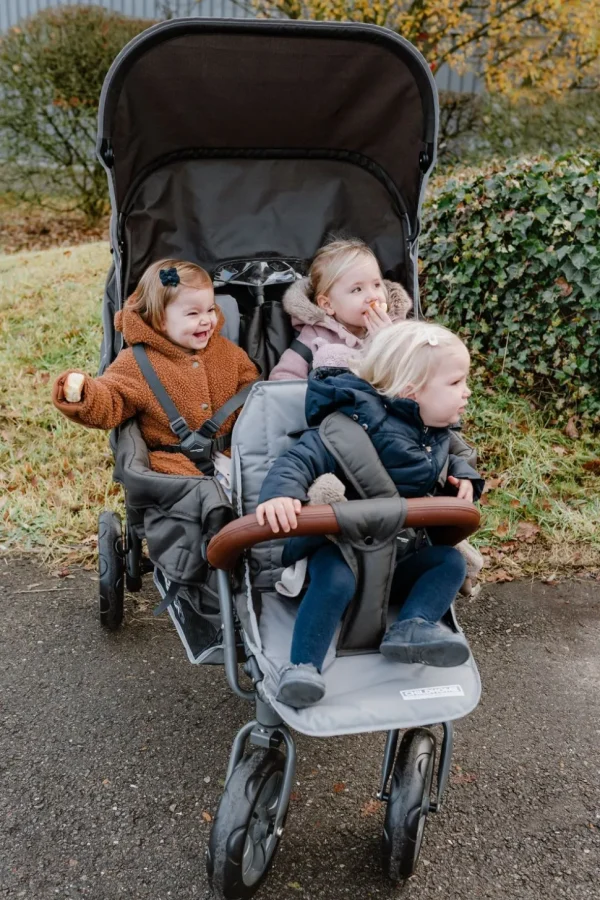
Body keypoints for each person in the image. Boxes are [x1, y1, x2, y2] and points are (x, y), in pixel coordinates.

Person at [256, 320, 484, 709]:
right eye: (456, 383)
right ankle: (302, 667)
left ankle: (413, 626)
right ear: (412, 392)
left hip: (399, 554)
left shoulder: (436, 434)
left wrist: (463, 476)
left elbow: (458, 456)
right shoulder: (348, 427)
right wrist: (281, 495)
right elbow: (297, 460)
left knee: (448, 561)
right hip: (343, 548)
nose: (467, 392)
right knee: (334, 580)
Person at [52, 259, 258, 482]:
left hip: (231, 454)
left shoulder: (229, 354)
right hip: (173, 465)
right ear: (160, 319)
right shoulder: (137, 363)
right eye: (193, 314)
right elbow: (112, 398)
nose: (206, 320)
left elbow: (251, 392)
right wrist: (86, 395)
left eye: (210, 310)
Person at [269, 238, 412, 380]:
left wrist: (388, 341)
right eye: (357, 289)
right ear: (328, 305)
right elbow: (282, 378)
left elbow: (416, 371)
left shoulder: (396, 327)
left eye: (376, 285)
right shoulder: (314, 336)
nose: (373, 296)